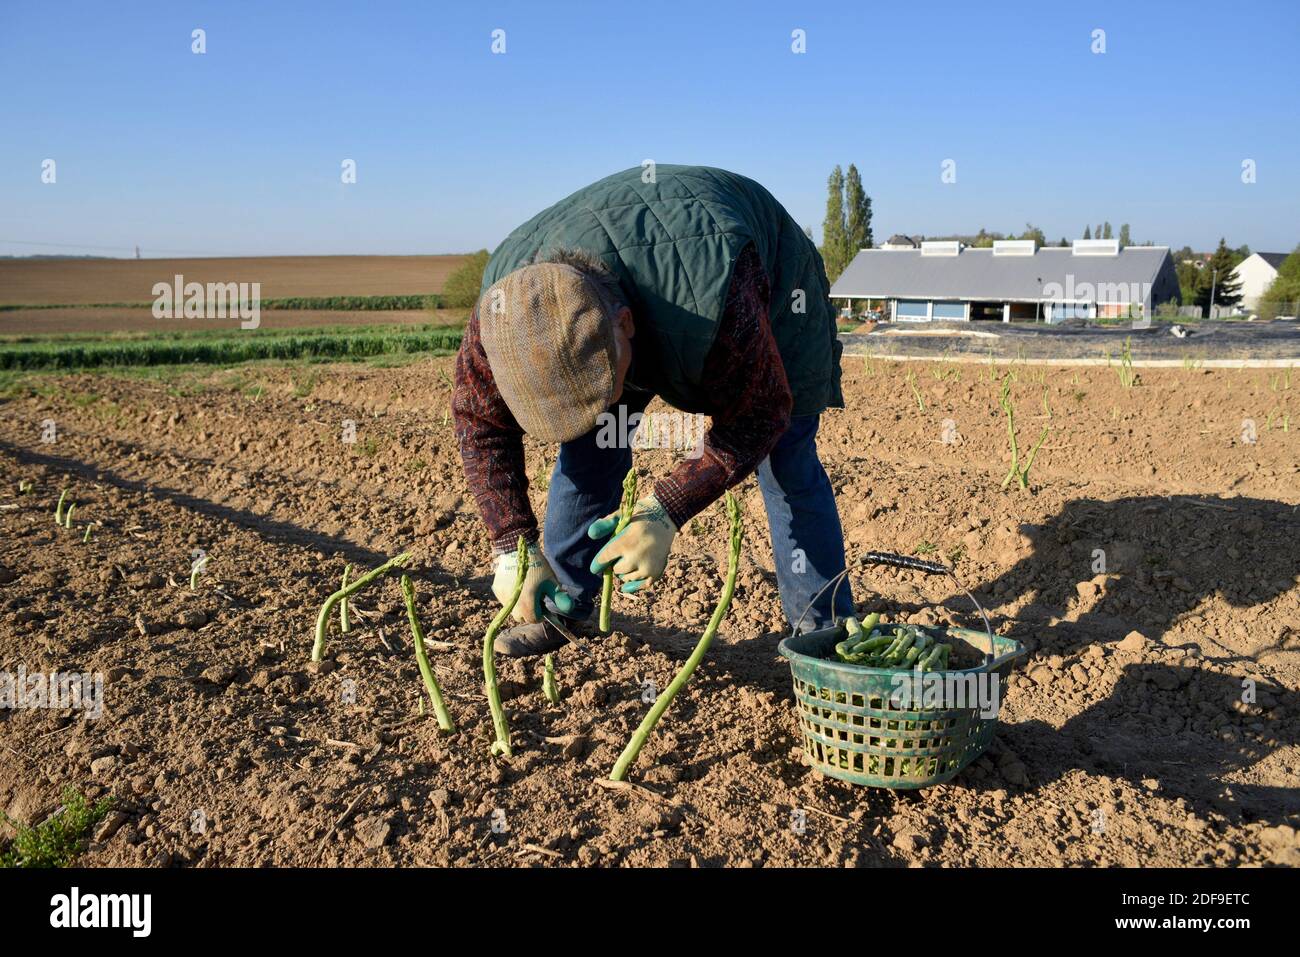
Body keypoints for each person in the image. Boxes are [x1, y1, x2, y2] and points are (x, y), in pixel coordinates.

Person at [452, 164, 853, 655]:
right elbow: (479, 423)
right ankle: (568, 608)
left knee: (786, 458)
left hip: (765, 279)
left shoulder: (719, 285)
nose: (609, 401)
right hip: (645, 282)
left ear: (625, 325)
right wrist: (511, 544)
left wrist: (665, 509)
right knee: (592, 443)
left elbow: (761, 414)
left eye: (607, 379)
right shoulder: (504, 311)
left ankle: (825, 633)